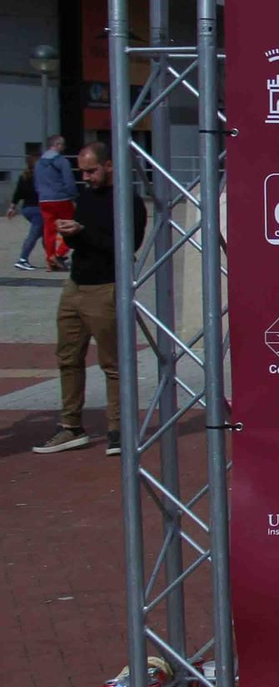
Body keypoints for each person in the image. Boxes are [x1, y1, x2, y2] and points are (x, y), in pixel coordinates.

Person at [33, 143, 145, 456]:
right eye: (82, 171)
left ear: (109, 165)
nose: (86, 177)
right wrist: (68, 233)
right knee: (67, 358)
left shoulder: (128, 201)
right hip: (75, 286)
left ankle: (118, 430)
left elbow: (125, 247)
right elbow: (80, 240)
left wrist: (82, 234)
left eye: (91, 170)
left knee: (113, 363)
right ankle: (70, 426)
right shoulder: (84, 197)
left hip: (106, 287)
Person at [33, 134, 76, 271]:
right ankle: (59, 254)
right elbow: (69, 181)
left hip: (44, 199)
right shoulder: (62, 161)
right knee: (70, 226)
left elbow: (36, 183)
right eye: (62, 145)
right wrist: (73, 195)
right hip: (61, 199)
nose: (63, 148)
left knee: (49, 229)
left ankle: (50, 258)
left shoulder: (38, 163)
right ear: (57, 145)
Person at [9, 147, 41, 270]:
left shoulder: (24, 176)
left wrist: (12, 207)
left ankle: (55, 257)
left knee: (44, 233)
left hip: (27, 209)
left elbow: (18, 193)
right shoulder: (40, 177)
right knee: (34, 234)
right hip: (37, 209)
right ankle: (22, 259)